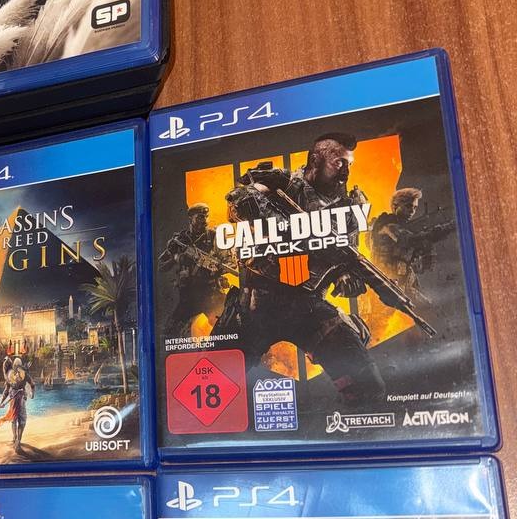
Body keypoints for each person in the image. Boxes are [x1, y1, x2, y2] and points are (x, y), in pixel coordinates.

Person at [216, 133, 389, 407]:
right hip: (257, 306)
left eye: (349, 164)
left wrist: (347, 276)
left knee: (368, 387)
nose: (345, 172)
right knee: (210, 389)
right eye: (339, 163)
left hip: (309, 307)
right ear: (315, 160)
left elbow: (349, 257)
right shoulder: (280, 182)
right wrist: (293, 228)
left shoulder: (348, 206)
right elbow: (238, 202)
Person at [158, 203, 233, 335]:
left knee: (230, 327)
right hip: (188, 296)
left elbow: (231, 263)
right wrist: (176, 258)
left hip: (211, 293)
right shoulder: (180, 240)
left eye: (206, 216)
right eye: (200, 217)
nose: (204, 221)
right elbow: (161, 266)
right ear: (190, 219)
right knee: (169, 332)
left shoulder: (214, 236)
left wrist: (216, 270)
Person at [371, 188, 454, 299]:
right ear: (395, 206)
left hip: (403, 278)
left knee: (428, 305)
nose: (412, 211)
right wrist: (445, 228)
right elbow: (408, 240)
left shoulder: (401, 226)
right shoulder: (386, 224)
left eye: (415, 207)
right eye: (408, 206)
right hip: (386, 281)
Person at [0, 356, 36, 452]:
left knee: (16, 419)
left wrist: (1, 402)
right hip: (17, 399)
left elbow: (6, 391)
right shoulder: (20, 374)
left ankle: (16, 439)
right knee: (19, 419)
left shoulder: (11, 375)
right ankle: (17, 439)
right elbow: (32, 385)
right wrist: (32, 394)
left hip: (17, 398)